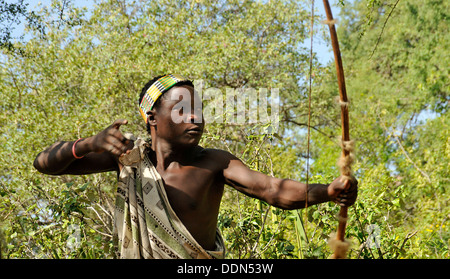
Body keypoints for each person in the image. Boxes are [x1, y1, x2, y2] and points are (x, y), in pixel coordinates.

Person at [34, 74, 358, 259]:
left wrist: (328, 191)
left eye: (198, 109)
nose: (195, 117)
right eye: (182, 110)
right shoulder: (128, 158)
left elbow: (272, 190)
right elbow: (45, 163)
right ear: (152, 119)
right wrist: (87, 144)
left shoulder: (215, 162)